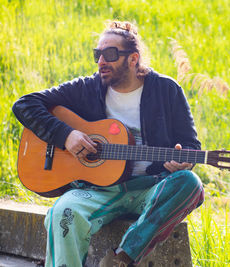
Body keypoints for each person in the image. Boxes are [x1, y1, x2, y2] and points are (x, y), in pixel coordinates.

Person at [12, 20, 204, 267]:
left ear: (133, 59)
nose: (101, 61)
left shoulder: (166, 90)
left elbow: (190, 145)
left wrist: (184, 159)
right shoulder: (86, 88)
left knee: (190, 183)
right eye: (97, 54)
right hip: (97, 189)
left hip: (151, 187)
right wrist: (66, 136)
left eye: (109, 54)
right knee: (63, 213)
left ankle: (121, 259)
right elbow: (24, 105)